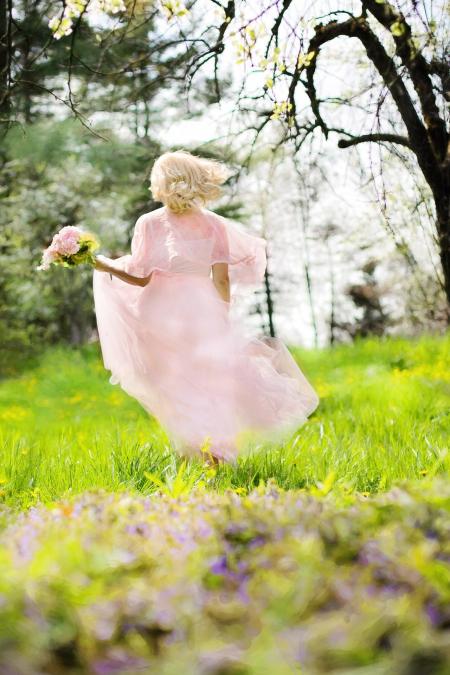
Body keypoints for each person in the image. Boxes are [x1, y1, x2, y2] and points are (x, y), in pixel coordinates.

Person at [93, 149, 319, 463]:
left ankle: (193, 455)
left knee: (173, 387)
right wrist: (220, 318)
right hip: (200, 313)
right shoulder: (214, 225)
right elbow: (222, 281)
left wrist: (106, 267)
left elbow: (140, 276)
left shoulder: (149, 223)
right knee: (207, 384)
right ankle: (215, 454)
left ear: (163, 182)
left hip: (157, 315)